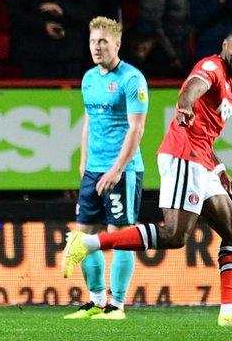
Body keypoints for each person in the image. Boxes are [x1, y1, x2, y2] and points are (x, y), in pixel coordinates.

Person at [62, 26, 232, 327]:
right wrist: (185, 103)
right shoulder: (212, 66)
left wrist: (219, 167)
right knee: (174, 236)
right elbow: (193, 87)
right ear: (225, 45)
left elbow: (206, 133)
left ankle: (229, 310)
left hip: (201, 159)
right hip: (183, 155)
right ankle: (88, 244)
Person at [62, 17, 147, 321]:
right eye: (92, 42)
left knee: (119, 235)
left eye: (103, 42)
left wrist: (115, 171)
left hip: (122, 172)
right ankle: (96, 301)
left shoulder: (132, 79)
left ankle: (117, 305)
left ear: (117, 44)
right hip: (94, 170)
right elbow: (88, 121)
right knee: (82, 237)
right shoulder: (88, 78)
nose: (97, 48)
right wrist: (84, 161)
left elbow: (136, 130)